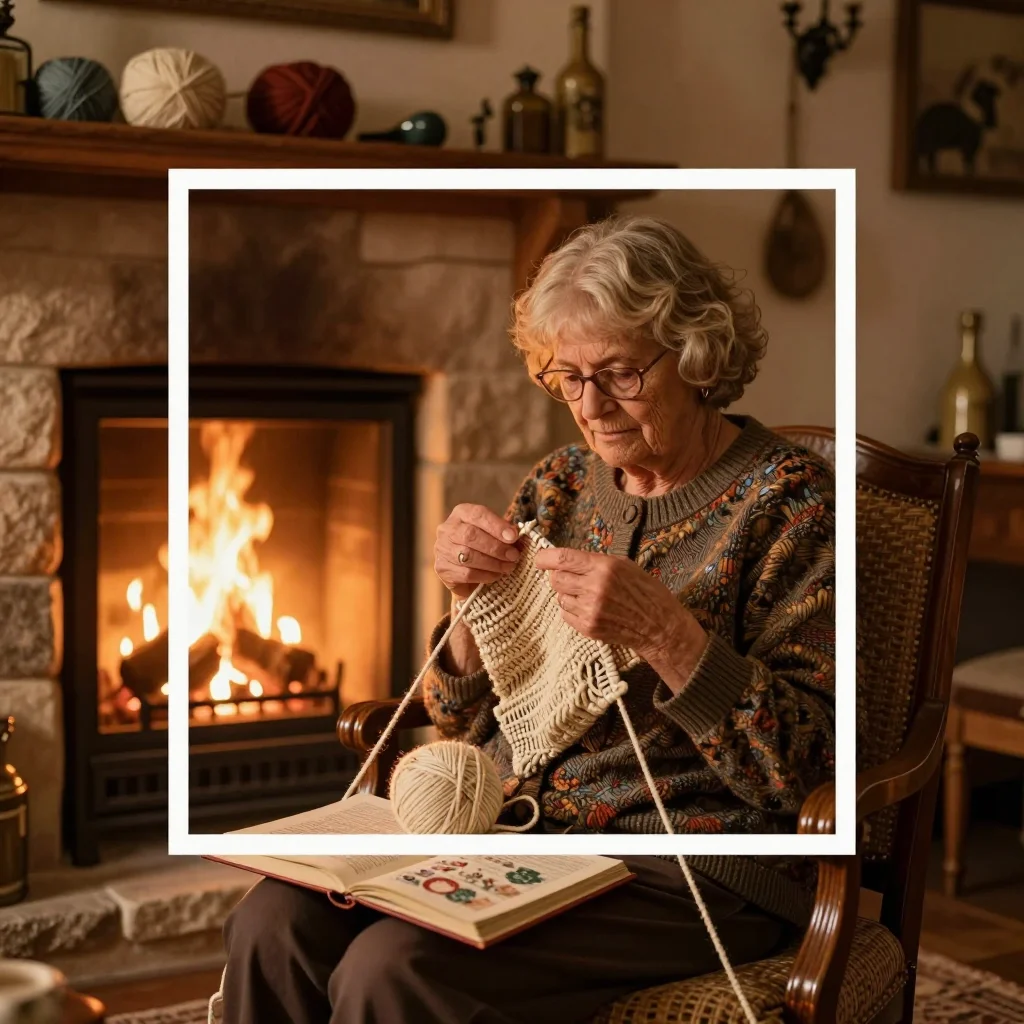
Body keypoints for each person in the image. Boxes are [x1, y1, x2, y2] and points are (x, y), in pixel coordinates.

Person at [222, 215, 836, 1024]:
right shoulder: (559, 487)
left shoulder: (791, 504)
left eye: (619, 373)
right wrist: (467, 608)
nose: (593, 407)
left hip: (691, 863)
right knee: (273, 922)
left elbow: (806, 766)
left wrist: (668, 636)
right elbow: (460, 720)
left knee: (394, 970)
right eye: (569, 377)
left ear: (696, 354)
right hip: (517, 828)